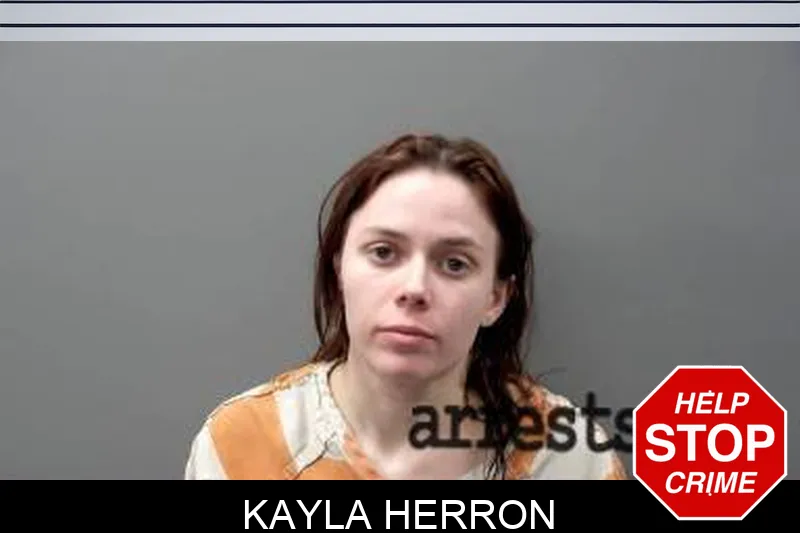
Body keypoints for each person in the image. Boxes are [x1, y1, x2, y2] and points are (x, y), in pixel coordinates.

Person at [184, 132, 627, 480]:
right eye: (383, 252)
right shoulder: (243, 444)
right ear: (339, 271)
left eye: (454, 264)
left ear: (495, 298)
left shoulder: (570, 459)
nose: (414, 288)